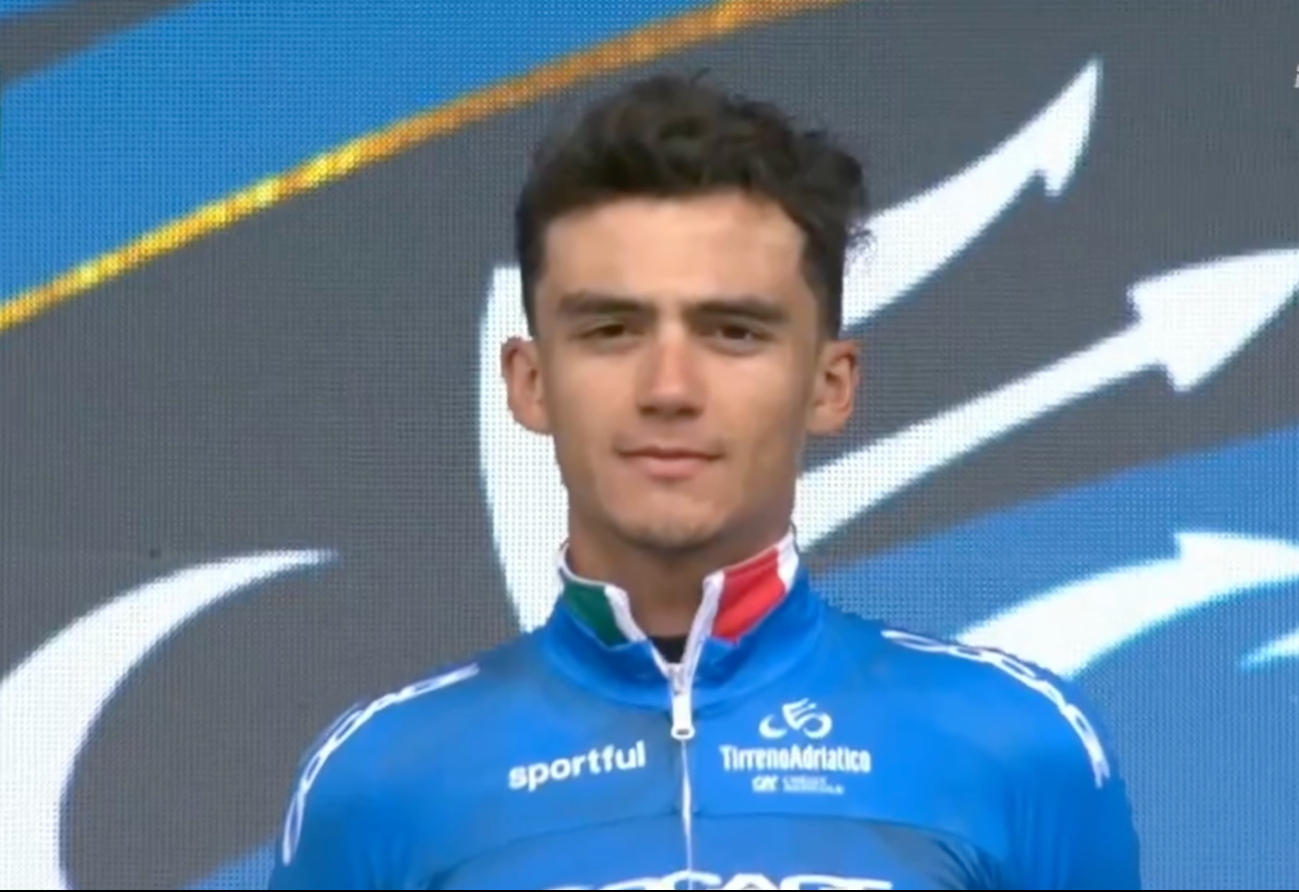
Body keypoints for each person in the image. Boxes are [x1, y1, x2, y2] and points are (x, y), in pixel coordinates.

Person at [266, 73, 1142, 890]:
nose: (669, 389)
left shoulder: (1019, 748)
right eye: (610, 330)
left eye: (733, 332)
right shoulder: (379, 783)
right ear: (529, 383)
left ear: (829, 384)